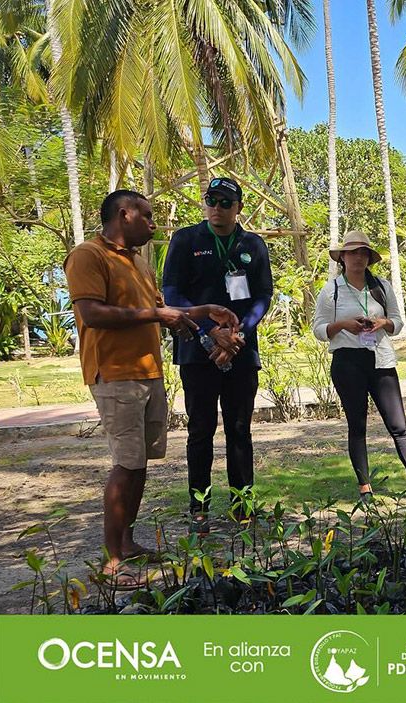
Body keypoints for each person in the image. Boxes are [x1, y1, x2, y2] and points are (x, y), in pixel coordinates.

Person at [67, 189, 238, 588]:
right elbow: (91, 313)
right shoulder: (88, 256)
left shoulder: (138, 263)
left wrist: (203, 311)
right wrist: (158, 313)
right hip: (115, 373)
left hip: (148, 372)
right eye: (146, 215)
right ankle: (112, 565)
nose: (153, 223)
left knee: (140, 463)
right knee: (125, 464)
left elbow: (161, 312)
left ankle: (126, 543)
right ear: (124, 215)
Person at [161, 177, 273, 533]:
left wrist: (238, 335)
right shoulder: (186, 239)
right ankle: (199, 506)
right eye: (211, 200)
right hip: (198, 351)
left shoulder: (252, 244)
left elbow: (263, 295)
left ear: (239, 207)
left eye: (226, 202)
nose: (217, 208)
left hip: (241, 350)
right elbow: (172, 293)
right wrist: (211, 332)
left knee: (240, 430)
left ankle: (243, 505)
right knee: (200, 430)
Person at [313, 231, 406, 506]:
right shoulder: (331, 290)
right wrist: (343, 325)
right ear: (343, 258)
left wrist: (383, 323)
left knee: (399, 426)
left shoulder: (381, 286)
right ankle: (365, 489)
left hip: (381, 360)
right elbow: (319, 330)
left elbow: (397, 322)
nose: (358, 258)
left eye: (363, 253)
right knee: (357, 426)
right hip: (347, 361)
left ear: (369, 259)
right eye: (353, 253)